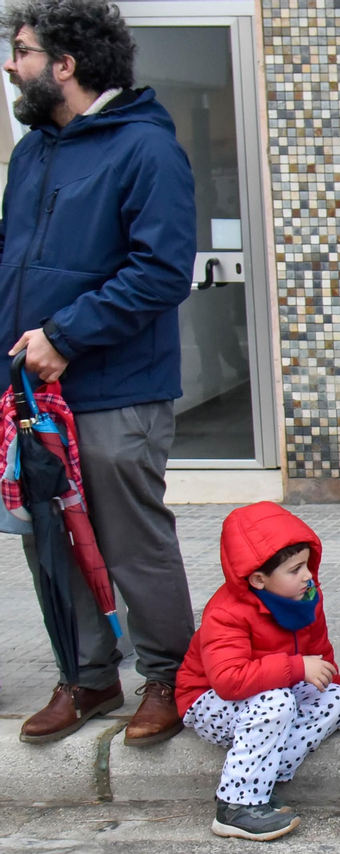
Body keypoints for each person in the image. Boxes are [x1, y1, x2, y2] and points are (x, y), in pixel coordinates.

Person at [1, 0, 197, 747]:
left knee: (127, 537)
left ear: (65, 64)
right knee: (46, 533)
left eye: (22, 51)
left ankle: (169, 676)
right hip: (30, 389)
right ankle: (85, 679)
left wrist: (65, 335)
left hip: (118, 387)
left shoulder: (146, 150)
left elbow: (160, 272)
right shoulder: (33, 151)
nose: (12, 66)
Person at [174, 503, 340, 842]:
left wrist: (330, 679)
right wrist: (298, 667)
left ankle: (267, 770)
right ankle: (236, 806)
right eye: (295, 569)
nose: (307, 575)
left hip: (271, 693)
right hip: (210, 702)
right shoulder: (227, 612)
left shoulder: (306, 597)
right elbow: (229, 681)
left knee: (336, 700)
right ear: (258, 578)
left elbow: (320, 650)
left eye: (307, 565)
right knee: (277, 703)